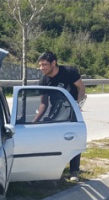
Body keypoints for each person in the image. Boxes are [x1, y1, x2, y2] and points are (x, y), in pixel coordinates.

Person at [36, 51, 86, 182]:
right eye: (40, 65)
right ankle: (53, 170)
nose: (42, 68)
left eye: (44, 65)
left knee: (74, 139)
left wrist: (78, 105)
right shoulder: (43, 81)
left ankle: (74, 171)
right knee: (52, 141)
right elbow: (43, 103)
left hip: (72, 111)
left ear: (54, 63)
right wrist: (35, 121)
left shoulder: (69, 72)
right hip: (55, 113)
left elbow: (81, 88)